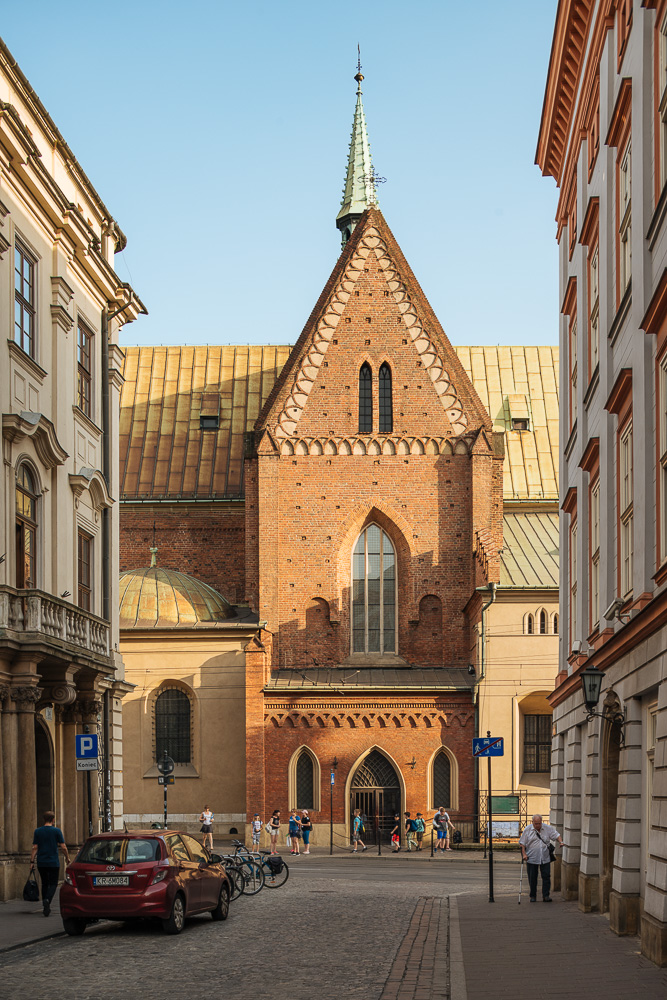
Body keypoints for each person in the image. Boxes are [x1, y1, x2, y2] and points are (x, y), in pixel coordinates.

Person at [30, 811, 70, 917]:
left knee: (44, 883)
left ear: (44, 819)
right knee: (53, 883)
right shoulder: (56, 831)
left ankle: (45, 905)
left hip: (42, 862)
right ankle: (47, 900)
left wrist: (32, 861)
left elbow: (35, 847)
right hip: (53, 862)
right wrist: (67, 857)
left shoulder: (37, 831)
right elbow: (63, 847)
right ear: (53, 820)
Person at [519, 814, 563, 902]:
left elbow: (556, 835)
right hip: (531, 857)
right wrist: (524, 854)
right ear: (532, 823)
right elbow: (522, 843)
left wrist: (561, 842)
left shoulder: (547, 828)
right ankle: (533, 896)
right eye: (536, 824)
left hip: (545, 857)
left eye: (539, 823)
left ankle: (546, 896)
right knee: (532, 878)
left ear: (541, 822)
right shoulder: (528, 829)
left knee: (546, 876)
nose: (538, 825)